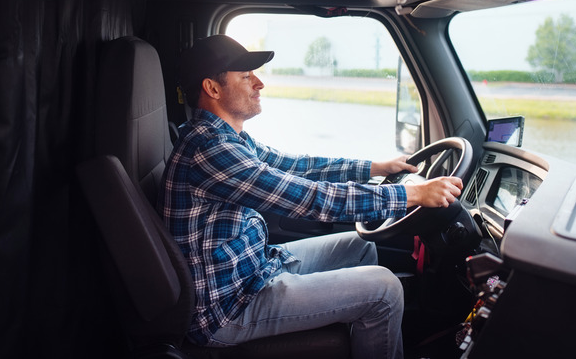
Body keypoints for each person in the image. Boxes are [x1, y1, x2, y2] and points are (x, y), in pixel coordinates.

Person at [158, 34, 463, 359]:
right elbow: (310, 199)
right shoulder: (211, 149)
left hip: (255, 268)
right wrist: (411, 194)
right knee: (384, 289)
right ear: (212, 89)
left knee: (360, 245)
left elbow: (298, 166)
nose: (259, 83)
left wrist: (374, 167)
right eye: (246, 76)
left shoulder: (228, 137)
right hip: (230, 308)